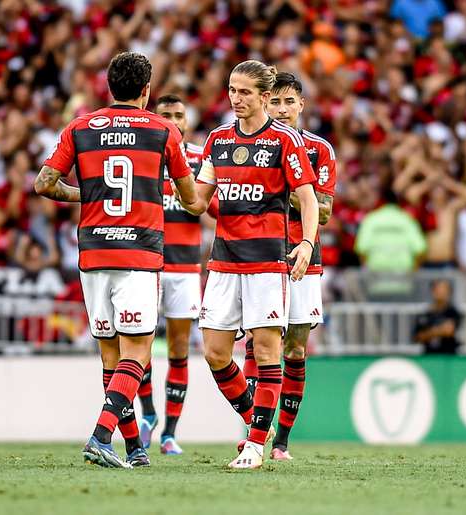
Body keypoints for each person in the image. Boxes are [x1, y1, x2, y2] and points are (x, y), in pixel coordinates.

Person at [34, 52, 199, 469]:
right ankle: (101, 435)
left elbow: (44, 183)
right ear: (146, 90)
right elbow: (192, 199)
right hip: (138, 253)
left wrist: (85, 196)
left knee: (111, 357)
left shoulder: (81, 126)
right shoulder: (164, 131)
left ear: (109, 87)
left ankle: (136, 450)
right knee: (138, 353)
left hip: (92, 252)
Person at [180, 60, 319, 469]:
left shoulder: (284, 141)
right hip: (223, 261)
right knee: (215, 352)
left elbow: (308, 199)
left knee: (266, 348)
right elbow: (197, 202)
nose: (235, 98)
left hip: (266, 262)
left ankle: (255, 445)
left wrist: (307, 243)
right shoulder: (218, 140)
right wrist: (171, 176)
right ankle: (256, 418)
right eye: (231, 90)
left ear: (263, 96)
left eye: (244, 92)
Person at [238, 71, 335, 460]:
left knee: (294, 349)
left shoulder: (318, 149)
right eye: (274, 102)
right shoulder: (252, 142)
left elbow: (324, 210)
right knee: (255, 342)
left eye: (288, 102)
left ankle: (282, 442)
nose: (281, 109)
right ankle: (255, 430)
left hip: (301, 257)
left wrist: (288, 190)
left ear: (301, 105)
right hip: (259, 254)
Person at [135, 94, 204, 455]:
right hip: (147, 264)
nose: (174, 121)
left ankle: (170, 434)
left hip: (185, 268)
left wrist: (190, 191)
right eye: (167, 115)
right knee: (140, 345)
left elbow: (213, 207)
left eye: (179, 115)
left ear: (187, 122)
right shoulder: (143, 155)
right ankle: (147, 414)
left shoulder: (199, 158)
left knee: (178, 350)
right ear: (154, 117)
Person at [413, 279, 461, 354]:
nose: (441, 293)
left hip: (448, 356)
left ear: (449, 293)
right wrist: (439, 330)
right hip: (428, 355)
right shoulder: (425, 314)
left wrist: (428, 333)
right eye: (438, 289)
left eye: (444, 290)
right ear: (432, 291)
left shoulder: (453, 313)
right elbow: (417, 337)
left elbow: (449, 331)